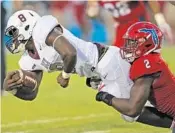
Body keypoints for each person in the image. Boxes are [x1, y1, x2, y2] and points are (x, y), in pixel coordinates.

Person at [3, 10, 172, 128]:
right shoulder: (27, 58)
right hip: (98, 73)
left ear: (27, 26)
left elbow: (69, 52)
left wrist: (65, 75)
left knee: (131, 110)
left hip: (106, 61)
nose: (12, 39)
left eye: (13, 33)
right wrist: (13, 88)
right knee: (140, 102)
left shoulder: (42, 29)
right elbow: (32, 93)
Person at [96, 21, 175, 131]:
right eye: (128, 42)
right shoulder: (148, 61)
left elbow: (132, 110)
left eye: (133, 42)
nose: (128, 46)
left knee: (130, 112)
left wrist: (105, 96)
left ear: (147, 44)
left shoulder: (146, 63)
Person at [87, 1, 173, 47]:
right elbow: (91, 12)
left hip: (138, 24)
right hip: (121, 27)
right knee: (118, 56)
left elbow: (151, 1)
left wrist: (160, 20)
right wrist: (92, 11)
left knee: (143, 56)